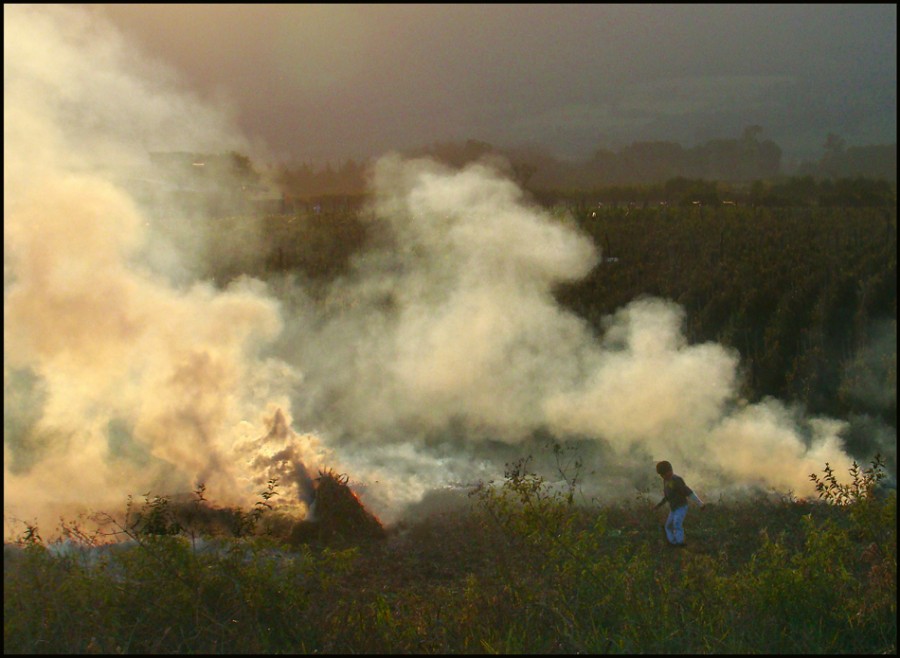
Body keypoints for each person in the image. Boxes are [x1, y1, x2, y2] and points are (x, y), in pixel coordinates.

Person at [653, 461, 704, 547]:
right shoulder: (666, 481)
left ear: (670, 471)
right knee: (668, 526)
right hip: (673, 508)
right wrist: (658, 506)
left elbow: (688, 492)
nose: (663, 476)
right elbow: (667, 497)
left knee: (677, 523)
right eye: (662, 475)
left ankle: (680, 543)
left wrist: (700, 504)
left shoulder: (677, 480)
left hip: (681, 506)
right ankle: (673, 542)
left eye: (665, 474)